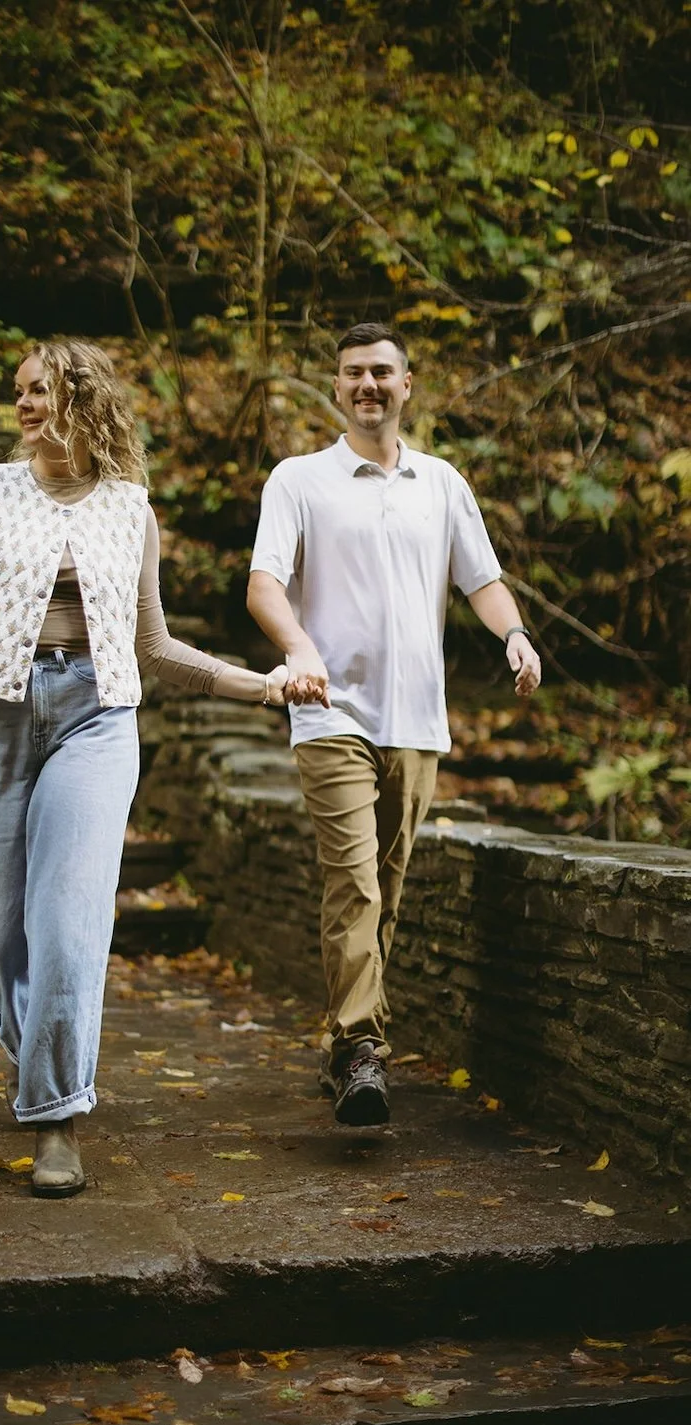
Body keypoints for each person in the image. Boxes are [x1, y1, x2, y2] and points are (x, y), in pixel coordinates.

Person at [0, 339, 310, 1198]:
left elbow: (154, 646)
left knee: (69, 920)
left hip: (96, 719)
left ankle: (56, 1115)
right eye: (19, 391)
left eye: (40, 389)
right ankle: (41, 1057)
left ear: (82, 397)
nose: (24, 404)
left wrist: (259, 686)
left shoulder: (130, 509)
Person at [247, 322, 541, 1128]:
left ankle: (348, 1043)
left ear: (407, 385)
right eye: (353, 373)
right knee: (355, 882)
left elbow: (482, 580)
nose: (368, 384)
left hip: (416, 720)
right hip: (328, 713)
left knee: (387, 891)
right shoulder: (299, 480)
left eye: (382, 371)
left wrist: (514, 635)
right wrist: (300, 647)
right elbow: (264, 584)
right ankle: (361, 1050)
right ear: (336, 387)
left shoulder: (441, 483)